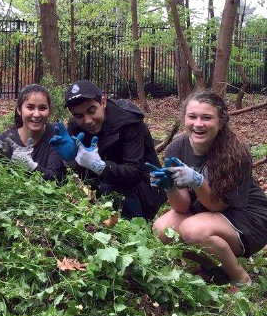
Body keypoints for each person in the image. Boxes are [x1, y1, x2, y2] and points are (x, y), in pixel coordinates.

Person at [151, 91, 267, 286]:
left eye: (207, 118)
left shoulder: (236, 151)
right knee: (161, 230)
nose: (198, 124)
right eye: (192, 117)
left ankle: (240, 278)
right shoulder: (175, 148)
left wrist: (197, 181)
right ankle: (214, 268)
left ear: (221, 122)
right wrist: (170, 187)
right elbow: (182, 207)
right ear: (184, 118)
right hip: (206, 210)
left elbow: (219, 206)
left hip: (247, 216)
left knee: (192, 229)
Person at [50, 80, 165, 220]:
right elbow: (79, 175)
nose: (87, 120)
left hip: (144, 188)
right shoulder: (75, 125)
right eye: (79, 115)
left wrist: (100, 167)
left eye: (91, 111)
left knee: (110, 190)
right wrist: (69, 161)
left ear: (103, 102)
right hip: (101, 187)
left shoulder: (129, 123)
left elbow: (134, 171)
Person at [0, 84, 64, 181]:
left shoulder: (55, 135)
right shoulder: (5, 140)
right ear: (19, 110)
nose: (36, 114)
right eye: (30, 107)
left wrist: (31, 167)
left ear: (49, 111)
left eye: (42, 108)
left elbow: (57, 178)